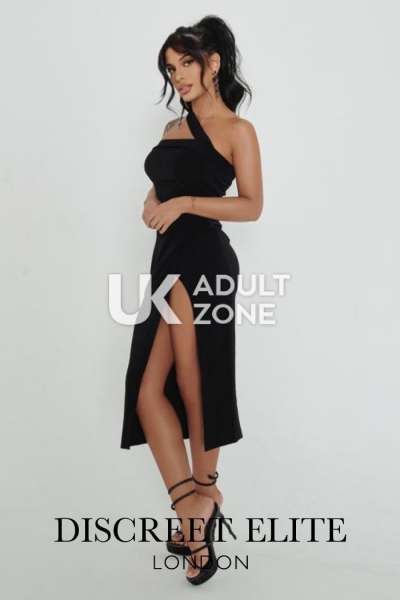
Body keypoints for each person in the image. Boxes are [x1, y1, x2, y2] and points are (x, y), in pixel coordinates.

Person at [120, 14, 263, 585]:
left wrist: (182, 205)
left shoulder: (236, 130)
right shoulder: (172, 127)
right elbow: (164, 184)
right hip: (167, 259)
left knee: (193, 380)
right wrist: (155, 200)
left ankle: (198, 506)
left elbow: (251, 205)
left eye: (186, 63)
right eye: (170, 66)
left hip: (204, 261)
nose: (177, 75)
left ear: (213, 64)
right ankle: (194, 502)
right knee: (147, 390)